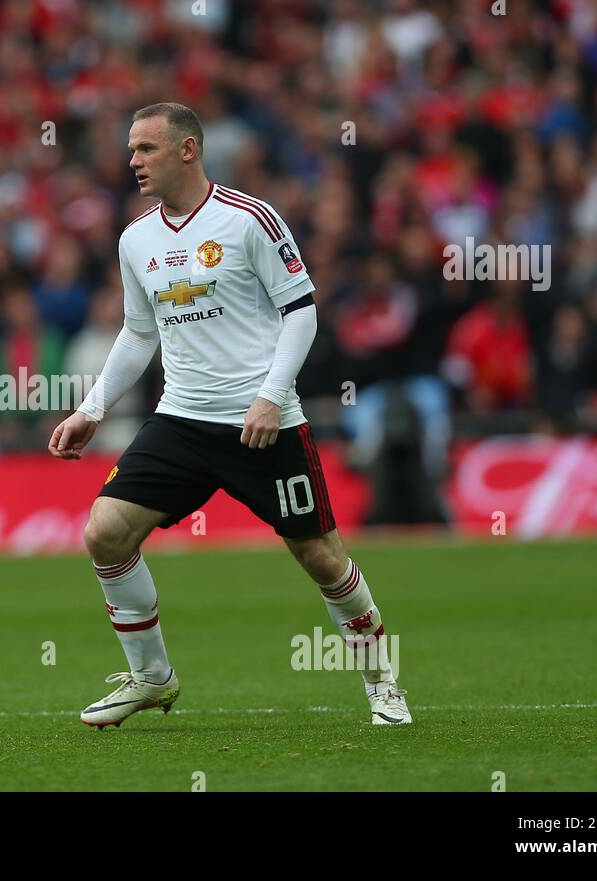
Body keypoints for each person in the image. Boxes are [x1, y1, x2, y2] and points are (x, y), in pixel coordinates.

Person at [48, 103, 410, 728]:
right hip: (181, 420)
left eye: (146, 148)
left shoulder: (250, 220)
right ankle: (151, 679)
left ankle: (384, 685)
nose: (132, 161)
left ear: (188, 150)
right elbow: (138, 333)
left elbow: (302, 310)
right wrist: (92, 408)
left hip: (261, 422)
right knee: (105, 532)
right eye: (131, 149)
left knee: (321, 556)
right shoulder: (135, 239)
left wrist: (271, 394)